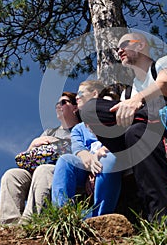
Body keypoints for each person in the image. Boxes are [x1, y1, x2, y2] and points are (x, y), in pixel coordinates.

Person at [80, 32, 167, 221]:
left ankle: (162, 220)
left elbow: (166, 84)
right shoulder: (129, 90)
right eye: (117, 48)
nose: (118, 50)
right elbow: (118, 119)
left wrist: (138, 100)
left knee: (137, 132)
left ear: (140, 45)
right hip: (145, 128)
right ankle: (165, 116)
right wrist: (101, 151)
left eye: (124, 44)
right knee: (91, 108)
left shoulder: (164, 62)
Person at [0, 92, 80, 225]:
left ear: (75, 107)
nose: (59, 106)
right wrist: (33, 144)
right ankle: (8, 226)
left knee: (44, 170)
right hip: (35, 170)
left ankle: (30, 223)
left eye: (63, 102)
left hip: (59, 171)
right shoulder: (49, 132)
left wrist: (58, 142)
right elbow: (30, 157)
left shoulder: (80, 129)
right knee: (12, 175)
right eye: (57, 104)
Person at [51, 80, 122, 217]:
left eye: (80, 93)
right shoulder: (79, 129)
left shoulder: (110, 112)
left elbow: (120, 135)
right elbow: (80, 152)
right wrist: (92, 166)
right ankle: (63, 215)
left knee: (108, 159)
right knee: (66, 160)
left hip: (109, 157)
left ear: (94, 93)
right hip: (89, 165)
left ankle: (100, 217)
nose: (77, 97)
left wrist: (101, 154)